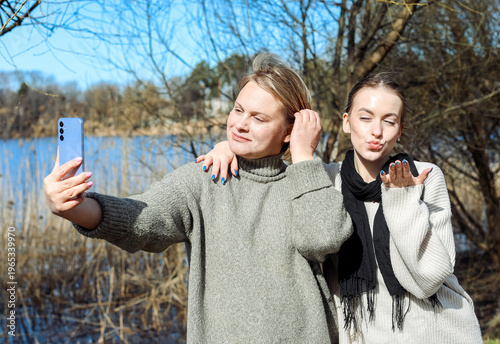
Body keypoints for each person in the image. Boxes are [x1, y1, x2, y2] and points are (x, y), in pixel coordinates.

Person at [43, 53, 353, 343]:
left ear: (291, 129)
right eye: (238, 109)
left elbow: (323, 238)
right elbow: (144, 219)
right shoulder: (205, 178)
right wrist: (76, 207)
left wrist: (303, 156)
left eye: (259, 119)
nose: (240, 124)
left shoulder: (310, 181)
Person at [197, 73, 483, 343]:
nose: (376, 131)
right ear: (347, 122)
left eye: (389, 121)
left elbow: (428, 280)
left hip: (438, 332)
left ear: (400, 131)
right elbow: (272, 169)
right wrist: (227, 149)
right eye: (365, 117)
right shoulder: (324, 180)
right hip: (362, 335)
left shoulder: (423, 178)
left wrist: (401, 199)